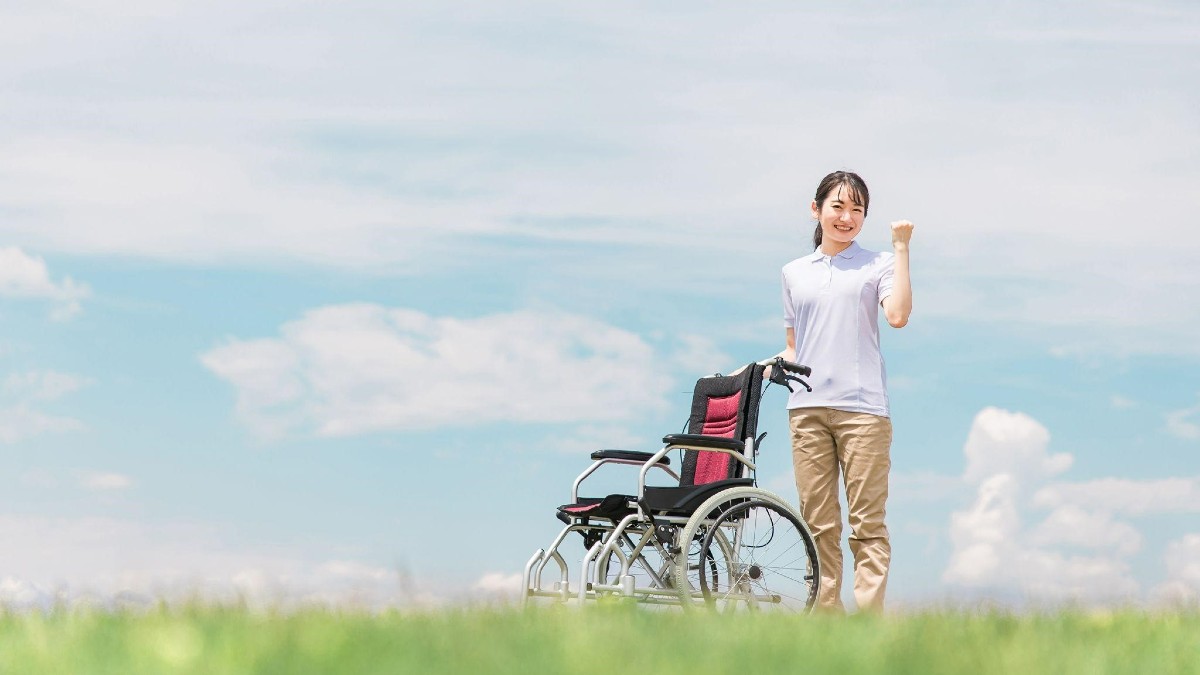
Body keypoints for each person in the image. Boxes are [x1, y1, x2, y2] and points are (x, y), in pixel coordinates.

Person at [779, 170, 913, 613]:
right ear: (815, 209)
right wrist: (757, 367)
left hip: (863, 410)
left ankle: (868, 622)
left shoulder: (878, 264)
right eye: (838, 206)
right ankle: (825, 620)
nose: (847, 217)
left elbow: (898, 316)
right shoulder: (793, 273)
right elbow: (794, 347)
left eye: (857, 209)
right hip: (807, 409)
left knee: (867, 524)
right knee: (818, 525)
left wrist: (901, 249)